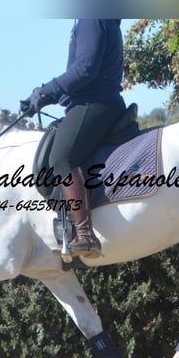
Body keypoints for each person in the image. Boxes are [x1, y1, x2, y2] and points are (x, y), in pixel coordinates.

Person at [21, 19, 126, 258]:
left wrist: (46, 92)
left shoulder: (92, 16)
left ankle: (84, 233)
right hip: (97, 102)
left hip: (95, 103)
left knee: (62, 158)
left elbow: (85, 68)